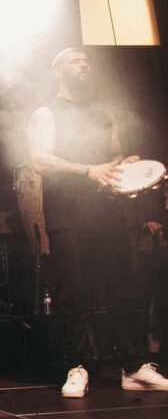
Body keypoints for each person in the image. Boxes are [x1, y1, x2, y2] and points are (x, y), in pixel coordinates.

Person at [28, 47, 168, 396]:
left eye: (87, 61)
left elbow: (114, 157)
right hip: (67, 213)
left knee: (123, 287)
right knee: (72, 290)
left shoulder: (104, 114)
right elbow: (39, 160)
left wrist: (126, 167)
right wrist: (88, 171)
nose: (85, 65)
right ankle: (76, 365)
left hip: (106, 211)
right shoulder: (47, 113)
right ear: (58, 71)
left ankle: (133, 367)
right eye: (75, 61)